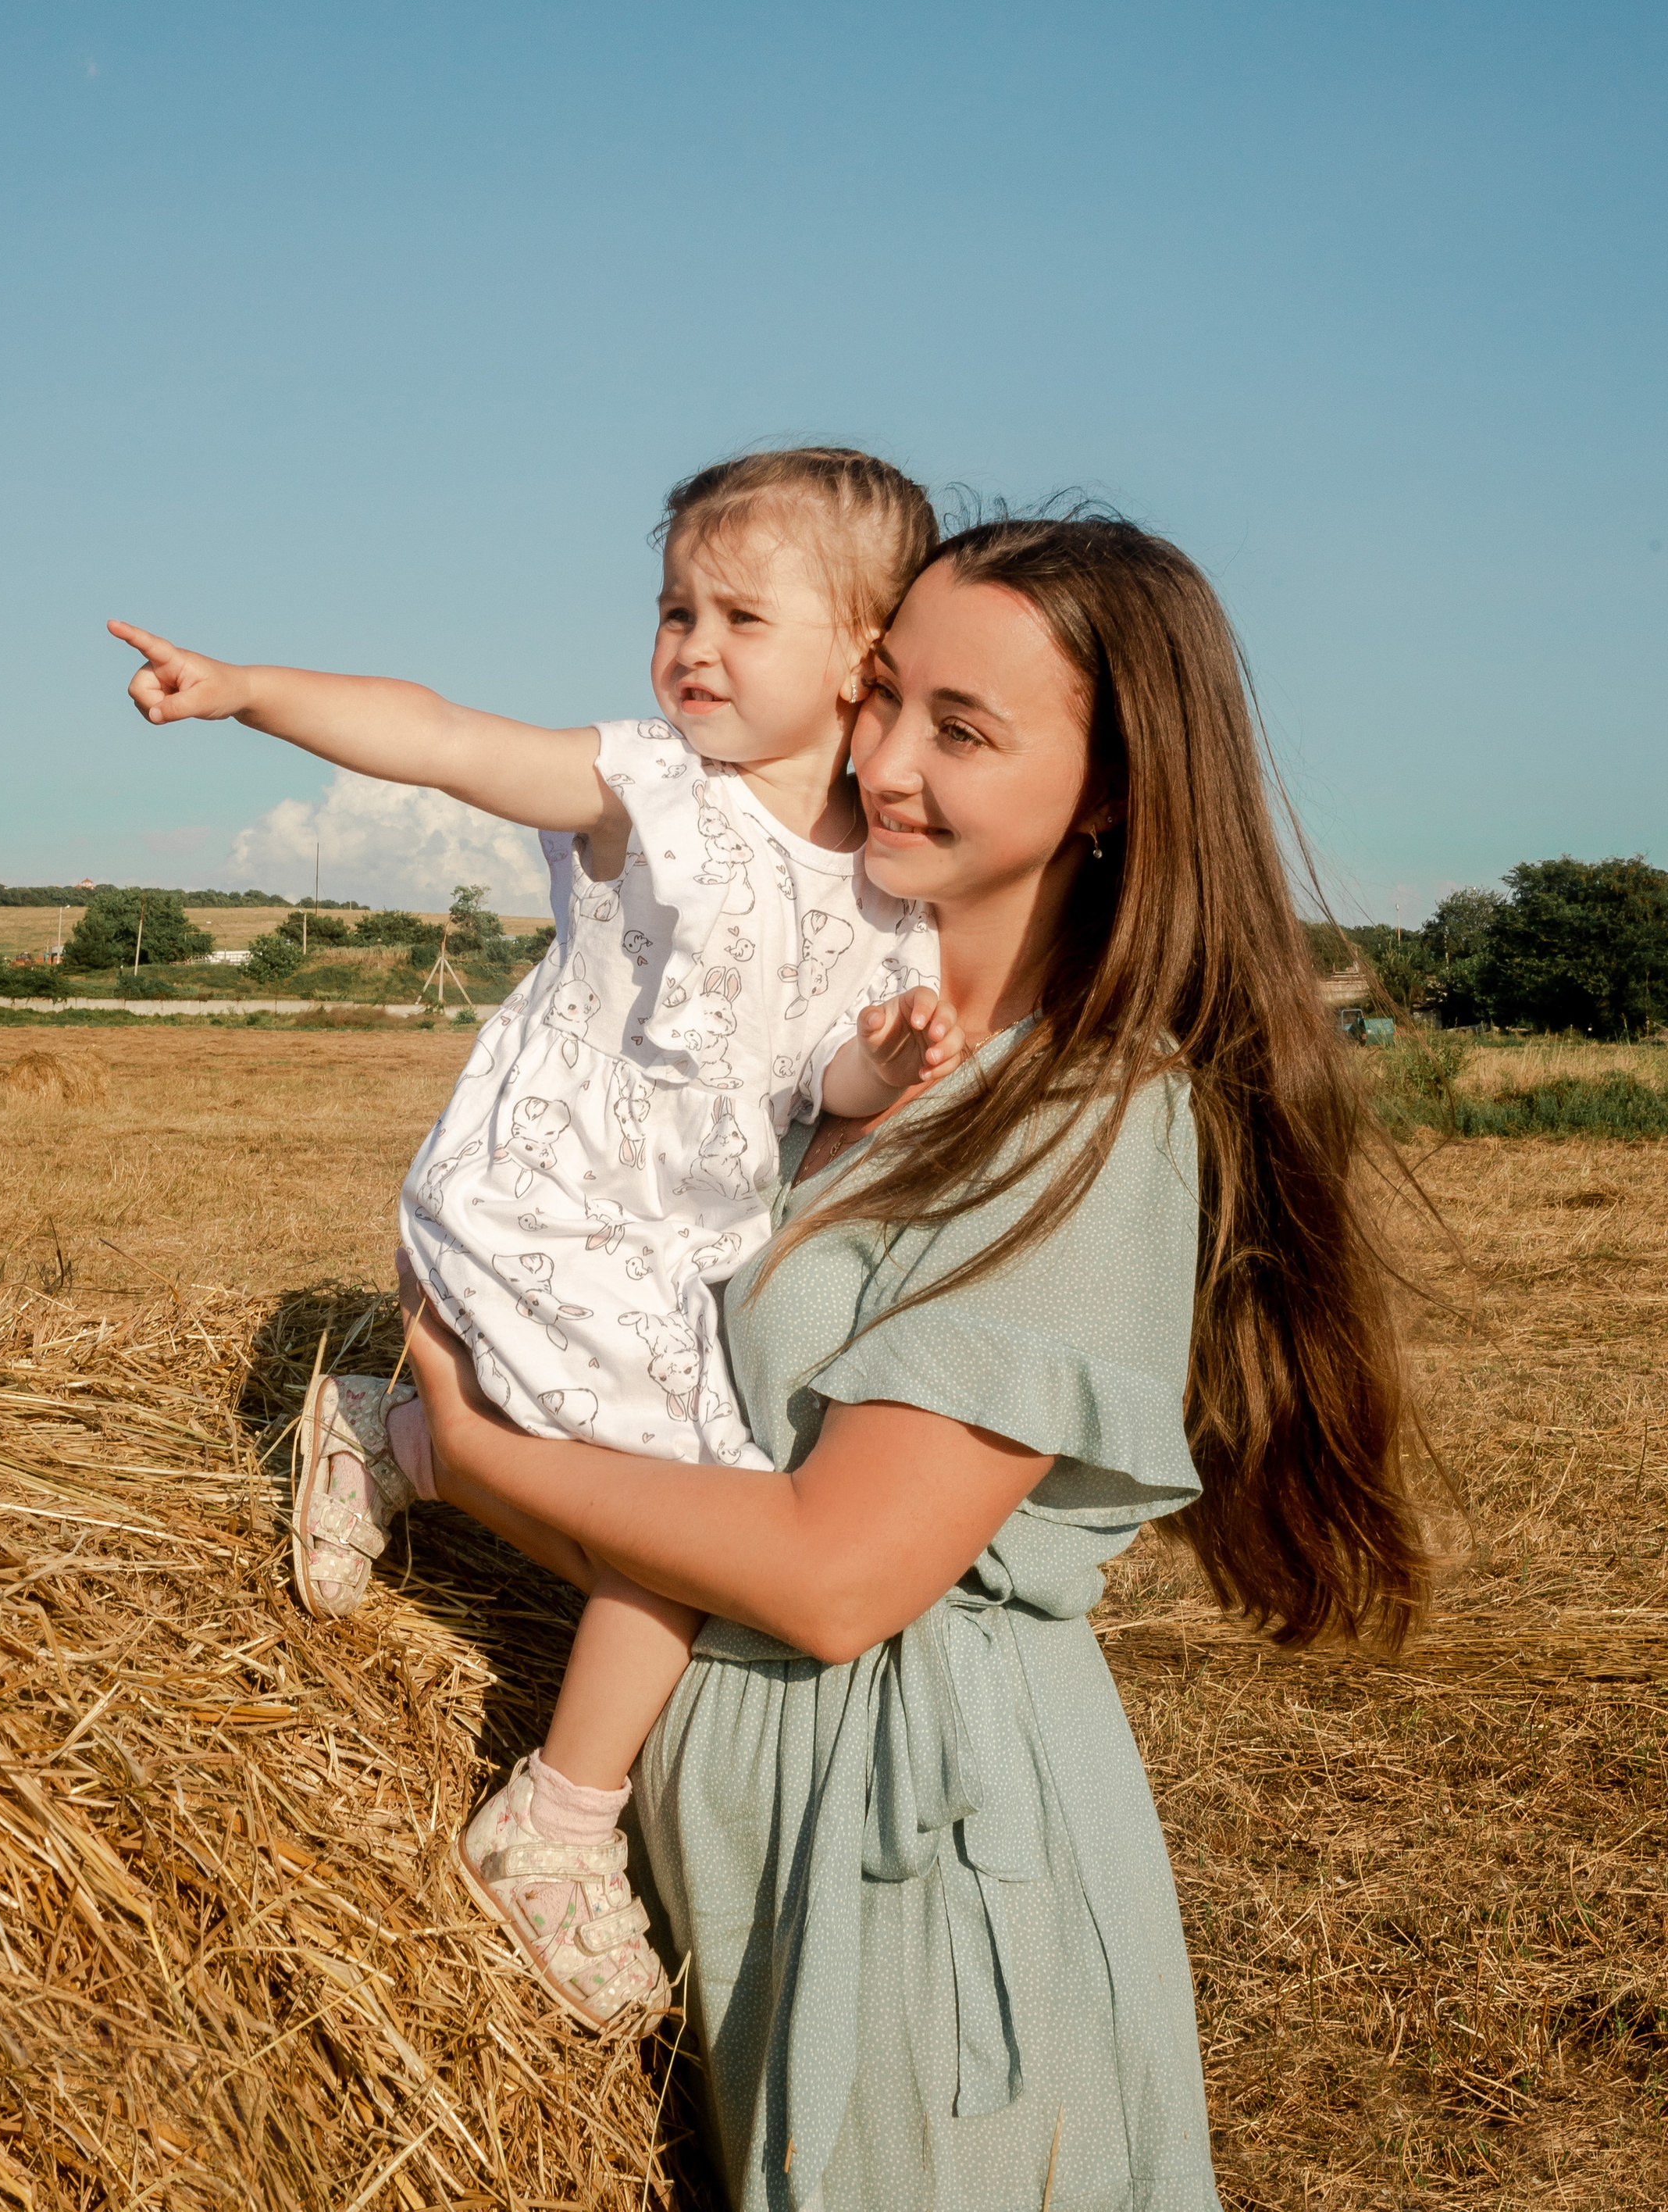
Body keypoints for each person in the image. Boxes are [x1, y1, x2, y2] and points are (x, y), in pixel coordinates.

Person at [394, 505, 1430, 2210]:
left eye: (961, 730)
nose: (879, 761)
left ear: (1107, 790)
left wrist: (464, 1450)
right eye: (880, 700)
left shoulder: (1094, 1120)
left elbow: (827, 1577)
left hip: (920, 1871)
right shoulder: (830, 1064)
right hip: (764, 1844)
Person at [109, 445, 969, 2025]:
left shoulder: (885, 901)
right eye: (670, 609)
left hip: (664, 1255)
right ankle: (554, 1829)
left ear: (864, 658)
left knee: (692, 1541)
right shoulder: (646, 792)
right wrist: (244, 690)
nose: (688, 646)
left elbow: (809, 1076)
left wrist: (887, 1065)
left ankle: (401, 1444)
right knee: (691, 1518)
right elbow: (441, 739)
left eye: (736, 616)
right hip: (543, 1207)